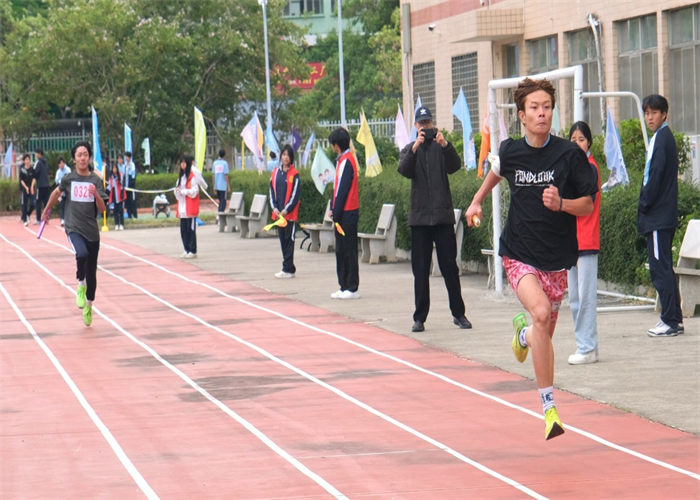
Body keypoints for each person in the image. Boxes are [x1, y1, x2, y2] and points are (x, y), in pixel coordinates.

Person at [465, 78, 597, 440]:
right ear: (522, 116)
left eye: (547, 107)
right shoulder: (511, 151)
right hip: (519, 253)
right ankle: (549, 409)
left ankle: (522, 335)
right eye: (535, 108)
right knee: (540, 313)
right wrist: (476, 201)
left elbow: (587, 205)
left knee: (542, 333)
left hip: (556, 259)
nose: (542, 113)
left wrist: (562, 203)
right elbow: (495, 173)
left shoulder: (569, 155)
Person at [398, 106, 471, 333]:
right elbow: (404, 170)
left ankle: (459, 314)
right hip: (420, 219)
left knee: (450, 267)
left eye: (428, 123)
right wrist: (415, 148)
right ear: (415, 126)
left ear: (433, 123)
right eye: (421, 124)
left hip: (442, 217)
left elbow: (455, 166)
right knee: (420, 270)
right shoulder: (409, 149)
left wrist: (445, 144)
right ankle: (419, 317)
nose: (425, 127)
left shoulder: (441, 147)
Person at [41, 141, 107, 327]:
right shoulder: (68, 179)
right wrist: (46, 210)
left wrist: (96, 195)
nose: (83, 158)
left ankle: (89, 305)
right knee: (81, 254)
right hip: (73, 227)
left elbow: (103, 209)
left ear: (89, 157)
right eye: (79, 155)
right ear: (74, 159)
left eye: (85, 154)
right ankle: (80, 283)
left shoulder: (95, 180)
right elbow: (56, 193)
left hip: (92, 231)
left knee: (92, 274)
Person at [638, 94, 683, 337]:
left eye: (654, 113)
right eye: (647, 113)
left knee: (659, 268)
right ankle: (675, 318)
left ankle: (669, 320)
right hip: (662, 215)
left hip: (658, 216)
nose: (650, 118)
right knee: (664, 266)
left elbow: (654, 175)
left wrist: (644, 203)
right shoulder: (663, 137)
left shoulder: (662, 138)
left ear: (664, 114)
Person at [567, 121, 601, 364]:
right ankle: (588, 345)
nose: (578, 144)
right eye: (573, 140)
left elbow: (585, 204)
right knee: (575, 298)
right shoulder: (575, 167)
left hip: (586, 239)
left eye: (581, 139)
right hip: (573, 241)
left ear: (588, 142)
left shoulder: (589, 168)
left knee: (584, 297)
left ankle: (586, 347)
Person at [328, 128, 360, 299]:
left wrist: (336, 211)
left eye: (332, 144)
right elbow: (336, 189)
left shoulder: (348, 161)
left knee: (349, 250)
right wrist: (332, 208)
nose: (332, 147)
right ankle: (343, 285)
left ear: (336, 145)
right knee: (340, 251)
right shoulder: (340, 161)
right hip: (341, 213)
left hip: (348, 213)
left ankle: (352, 287)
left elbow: (343, 190)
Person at [269, 144, 300, 278]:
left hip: (289, 215)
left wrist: (286, 210)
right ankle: (289, 268)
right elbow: (271, 191)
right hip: (278, 215)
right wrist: (275, 208)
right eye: (284, 155)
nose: (285, 157)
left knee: (289, 241)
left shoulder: (295, 175)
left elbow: (295, 195)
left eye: (288, 155)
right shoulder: (275, 172)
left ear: (291, 158)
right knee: (282, 241)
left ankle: (287, 269)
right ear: (281, 156)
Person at [175, 154, 207, 259]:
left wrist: (185, 191)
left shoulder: (192, 177)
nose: (182, 164)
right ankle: (186, 249)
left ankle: (193, 250)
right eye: (181, 162)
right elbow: (178, 191)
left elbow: (195, 191)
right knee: (183, 230)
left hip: (190, 208)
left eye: (184, 162)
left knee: (191, 230)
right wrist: (178, 192)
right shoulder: (181, 178)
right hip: (182, 208)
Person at [32, 148, 50, 225]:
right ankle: (46, 219)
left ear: (39, 153)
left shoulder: (38, 162)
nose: (35, 155)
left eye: (36, 153)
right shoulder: (46, 162)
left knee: (38, 203)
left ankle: (38, 219)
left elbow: (35, 173)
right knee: (46, 203)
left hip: (40, 186)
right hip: (47, 185)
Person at [107, 162, 125, 230]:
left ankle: (122, 224)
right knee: (115, 211)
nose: (114, 169)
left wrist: (122, 194)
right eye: (113, 168)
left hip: (120, 195)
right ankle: (116, 224)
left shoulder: (120, 175)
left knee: (121, 210)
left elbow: (122, 185)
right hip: (113, 195)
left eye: (115, 168)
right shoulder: (111, 177)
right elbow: (109, 186)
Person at [54, 156, 71, 226]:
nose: (61, 165)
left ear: (64, 163)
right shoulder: (58, 172)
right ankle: (62, 219)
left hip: (68, 189)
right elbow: (56, 181)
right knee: (62, 204)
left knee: (68, 204)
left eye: (62, 163)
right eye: (60, 163)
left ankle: (68, 219)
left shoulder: (68, 169)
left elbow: (70, 179)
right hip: (61, 190)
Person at [212, 149, 230, 215]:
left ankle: (219, 214)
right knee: (223, 201)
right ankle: (220, 214)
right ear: (224, 155)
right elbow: (226, 175)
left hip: (217, 185)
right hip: (223, 186)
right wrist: (228, 186)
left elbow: (213, 175)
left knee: (220, 201)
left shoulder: (215, 163)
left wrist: (214, 186)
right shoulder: (225, 163)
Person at [19, 154, 35, 226]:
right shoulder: (22, 170)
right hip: (24, 189)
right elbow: (21, 180)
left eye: (28, 159)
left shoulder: (32, 169)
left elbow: (34, 178)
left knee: (32, 204)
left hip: (31, 189)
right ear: (24, 161)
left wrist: (32, 187)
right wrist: (26, 187)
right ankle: (25, 220)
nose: (27, 161)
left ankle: (28, 214)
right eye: (26, 159)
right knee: (24, 205)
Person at [124, 151, 138, 219]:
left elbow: (133, 176)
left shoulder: (132, 165)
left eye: (126, 157)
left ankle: (135, 215)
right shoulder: (125, 165)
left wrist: (131, 186)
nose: (126, 158)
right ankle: (129, 214)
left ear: (129, 157)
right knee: (127, 201)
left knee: (133, 201)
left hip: (131, 187)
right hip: (126, 187)